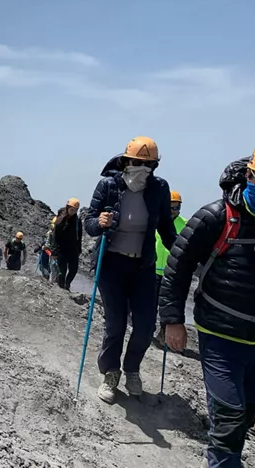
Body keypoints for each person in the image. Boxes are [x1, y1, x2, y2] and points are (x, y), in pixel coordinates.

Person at [159, 138, 255, 468]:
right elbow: (179, 265)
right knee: (228, 420)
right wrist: (173, 320)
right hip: (220, 336)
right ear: (249, 176)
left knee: (246, 416)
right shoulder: (216, 216)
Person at [84, 136, 177, 404]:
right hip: (111, 264)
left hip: (143, 267)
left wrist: (183, 255)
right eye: (137, 162)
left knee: (145, 326)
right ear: (125, 161)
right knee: (116, 324)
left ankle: (132, 369)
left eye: (149, 164)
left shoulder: (159, 188)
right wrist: (99, 222)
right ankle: (110, 373)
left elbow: (167, 231)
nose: (143, 168)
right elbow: (90, 222)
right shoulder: (109, 185)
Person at [153, 190, 188, 343]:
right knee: (150, 303)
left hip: (171, 273)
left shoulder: (185, 225)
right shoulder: (153, 221)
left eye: (177, 207)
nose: (174, 211)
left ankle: (163, 334)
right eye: (171, 207)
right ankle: (146, 331)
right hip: (152, 270)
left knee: (168, 306)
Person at [47, 197, 83, 291]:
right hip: (61, 250)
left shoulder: (77, 221)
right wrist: (54, 251)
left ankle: (67, 284)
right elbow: (55, 236)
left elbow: (79, 236)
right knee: (62, 271)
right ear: (67, 208)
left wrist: (79, 249)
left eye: (75, 210)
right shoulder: (60, 220)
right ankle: (62, 288)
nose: (73, 211)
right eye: (72, 209)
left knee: (73, 269)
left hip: (73, 249)